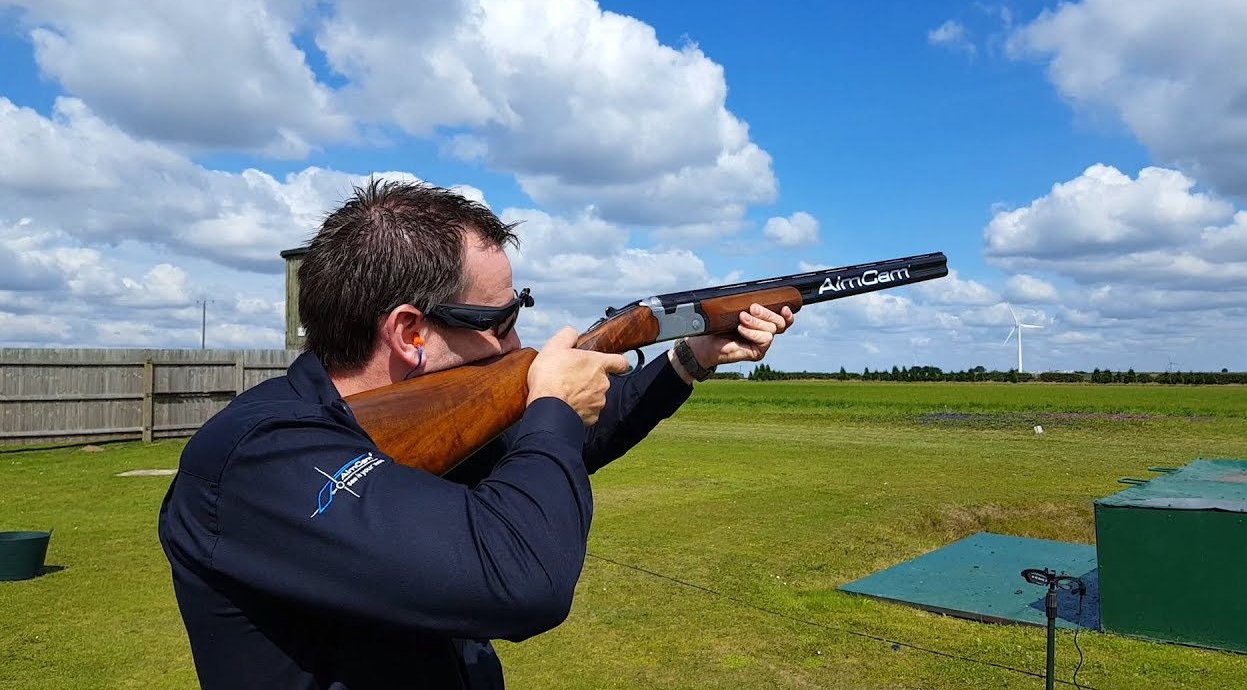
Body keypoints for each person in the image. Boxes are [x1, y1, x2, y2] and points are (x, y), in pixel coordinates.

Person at [157, 178, 793, 689]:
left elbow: (561, 450)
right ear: (410, 333)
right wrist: (553, 406)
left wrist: (689, 359)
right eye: (502, 320)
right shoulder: (259, 457)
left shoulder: (421, 426)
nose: (518, 343)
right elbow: (523, 578)